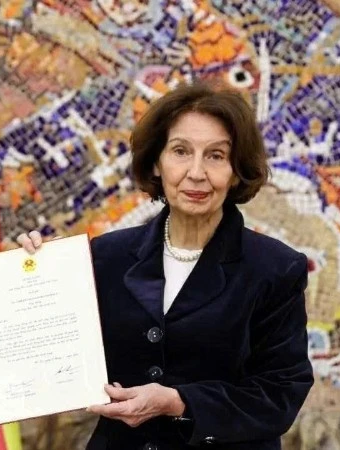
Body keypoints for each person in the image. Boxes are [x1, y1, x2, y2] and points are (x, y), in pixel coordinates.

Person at [16, 83, 314, 449]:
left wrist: (179, 402)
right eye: (180, 151)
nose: (196, 172)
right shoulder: (103, 256)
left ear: (236, 171)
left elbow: (279, 395)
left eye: (216, 156)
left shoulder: (276, 269)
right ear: (156, 162)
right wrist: (36, 271)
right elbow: (45, 350)